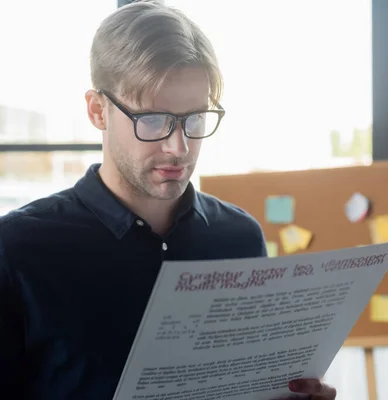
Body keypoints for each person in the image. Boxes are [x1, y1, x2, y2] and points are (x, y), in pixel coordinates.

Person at [0, 1, 337, 399]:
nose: (179, 147)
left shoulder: (239, 238)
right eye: (154, 120)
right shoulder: (18, 249)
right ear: (98, 110)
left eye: (194, 119)